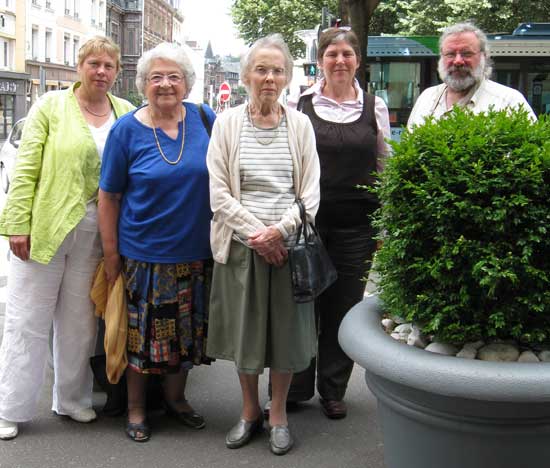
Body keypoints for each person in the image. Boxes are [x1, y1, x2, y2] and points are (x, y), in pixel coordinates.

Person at [0, 36, 134, 440]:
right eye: (94, 63)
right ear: (79, 67)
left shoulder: (125, 113)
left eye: (109, 66)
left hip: (97, 233)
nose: (101, 72)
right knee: (27, 320)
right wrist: (17, 223)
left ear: (116, 71)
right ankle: (10, 406)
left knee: (79, 324)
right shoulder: (50, 107)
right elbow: (25, 171)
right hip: (45, 228)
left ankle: (72, 400)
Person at [206, 34, 320, 456]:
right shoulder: (227, 123)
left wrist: (280, 233)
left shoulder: (301, 125)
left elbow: (310, 193)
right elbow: (219, 195)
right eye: (261, 69)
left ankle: (279, 414)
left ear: (287, 77)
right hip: (242, 247)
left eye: (277, 70)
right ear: (246, 76)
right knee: (246, 334)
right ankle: (250, 411)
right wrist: (258, 235)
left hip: (288, 247)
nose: (269, 77)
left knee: (286, 336)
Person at [98, 42, 215, 443]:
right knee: (140, 339)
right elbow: (109, 196)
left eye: (173, 76)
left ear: (186, 83)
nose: (165, 84)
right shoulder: (125, 130)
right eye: (155, 77)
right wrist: (111, 255)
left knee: (185, 336)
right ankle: (135, 407)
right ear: (143, 84)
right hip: (143, 256)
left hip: (197, 254)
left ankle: (176, 400)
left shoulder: (204, 118)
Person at [279, 27, 391, 421]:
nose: (340, 61)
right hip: (307, 225)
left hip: (357, 228)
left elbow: (384, 165)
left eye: (347, 54)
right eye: (332, 54)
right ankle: (294, 386)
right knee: (302, 305)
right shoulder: (299, 103)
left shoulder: (374, 106)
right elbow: (289, 163)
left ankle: (333, 389)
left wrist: (384, 225)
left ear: (357, 60)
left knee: (343, 308)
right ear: (320, 60)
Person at [407, 22, 536, 129]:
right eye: (450, 54)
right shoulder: (426, 98)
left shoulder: (509, 101)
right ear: (441, 58)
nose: (457, 61)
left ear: (483, 57)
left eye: (466, 54)